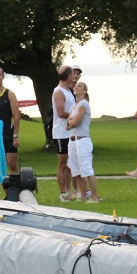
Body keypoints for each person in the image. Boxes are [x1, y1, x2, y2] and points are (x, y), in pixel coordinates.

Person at [66, 81, 100, 202]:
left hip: (82, 141)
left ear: (85, 91)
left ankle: (94, 197)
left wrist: (71, 122)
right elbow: (68, 124)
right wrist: (71, 122)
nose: (76, 87)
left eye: (79, 86)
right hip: (72, 140)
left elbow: (75, 122)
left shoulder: (84, 104)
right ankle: (83, 197)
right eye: (75, 86)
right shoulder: (73, 107)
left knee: (87, 169)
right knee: (77, 171)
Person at [50, 65, 76, 201]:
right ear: (67, 76)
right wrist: (75, 116)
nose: (74, 76)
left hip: (70, 132)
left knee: (70, 164)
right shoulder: (58, 91)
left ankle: (69, 191)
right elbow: (60, 113)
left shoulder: (68, 90)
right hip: (62, 133)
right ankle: (63, 193)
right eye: (72, 74)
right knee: (62, 163)